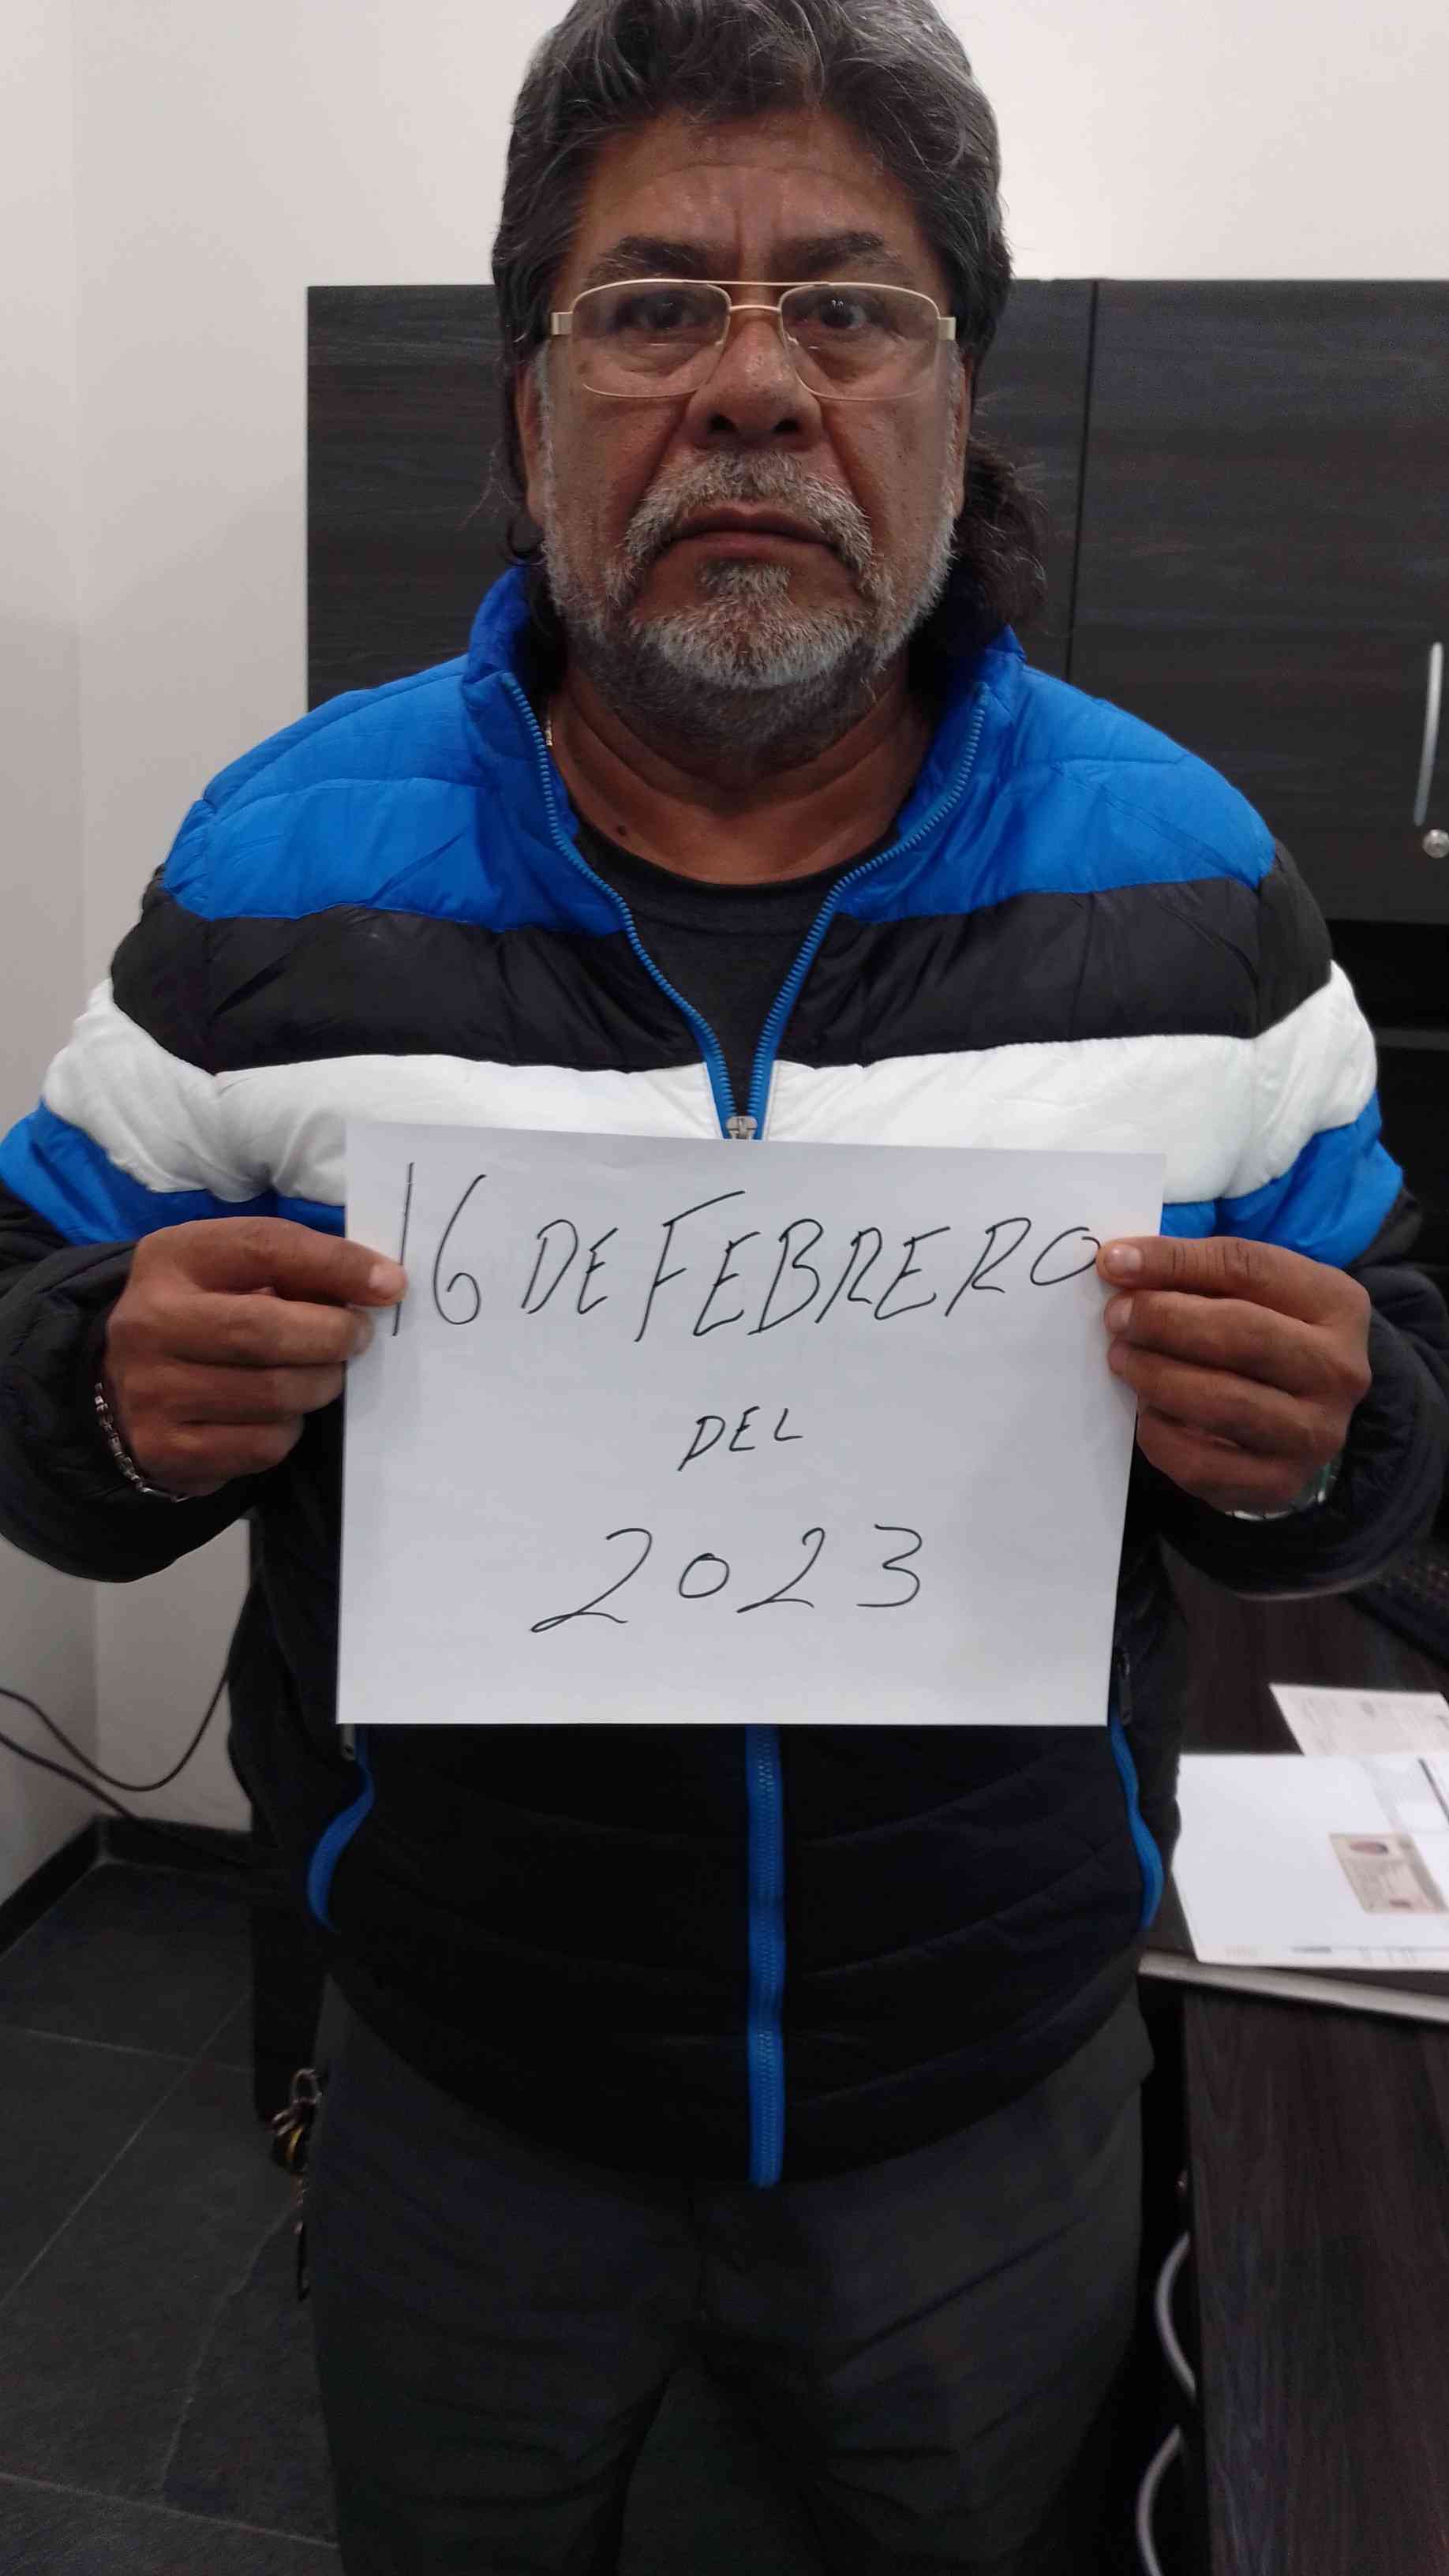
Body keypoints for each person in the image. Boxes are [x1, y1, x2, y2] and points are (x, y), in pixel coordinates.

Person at [2, 0, 1447, 2567]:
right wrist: (101, 1388)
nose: (754, 386)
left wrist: (1325, 1431)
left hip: (981, 2105)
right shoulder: (264, 877)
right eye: (652, 304)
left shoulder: (1202, 887)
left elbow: (1386, 1384)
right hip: (466, 2092)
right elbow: (27, 1347)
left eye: (850, 308)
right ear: (530, 396)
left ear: (952, 391)